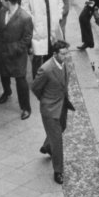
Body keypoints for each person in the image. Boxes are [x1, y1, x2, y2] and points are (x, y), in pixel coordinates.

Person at [31, 39, 72, 184]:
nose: (66, 56)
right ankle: (58, 171)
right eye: (63, 54)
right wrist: (45, 100)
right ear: (54, 54)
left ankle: (47, 146)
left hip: (62, 106)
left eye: (67, 53)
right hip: (50, 109)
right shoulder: (46, 69)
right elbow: (35, 87)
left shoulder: (63, 64)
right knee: (57, 140)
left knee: (63, 127)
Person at [0, 0, 34, 118]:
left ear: (8, 1)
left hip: (17, 54)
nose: (0, 0)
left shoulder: (25, 17)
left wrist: (17, 49)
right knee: (4, 74)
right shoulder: (2, 11)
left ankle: (25, 107)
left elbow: (27, 37)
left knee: (20, 80)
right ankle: (7, 92)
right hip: (2, 50)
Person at [22, 0, 66, 76]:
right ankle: (38, 79)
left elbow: (60, 4)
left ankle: (49, 78)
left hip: (52, 27)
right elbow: (25, 11)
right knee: (37, 57)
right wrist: (34, 21)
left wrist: (58, 16)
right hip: (38, 29)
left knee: (51, 54)